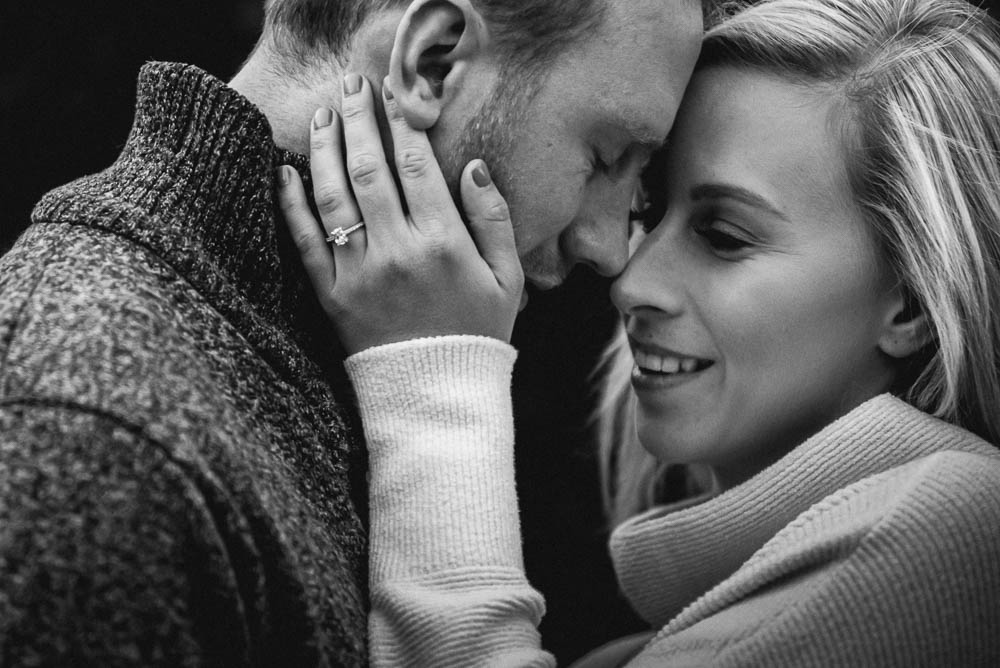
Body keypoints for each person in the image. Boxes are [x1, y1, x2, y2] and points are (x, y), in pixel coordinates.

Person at [279, 0, 1000, 664]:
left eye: (724, 235)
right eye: (649, 210)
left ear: (909, 307)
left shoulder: (963, 529)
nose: (628, 278)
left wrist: (434, 376)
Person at [0, 0, 703, 664]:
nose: (612, 250)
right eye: (608, 157)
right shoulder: (101, 443)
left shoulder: (325, 347)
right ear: (434, 60)